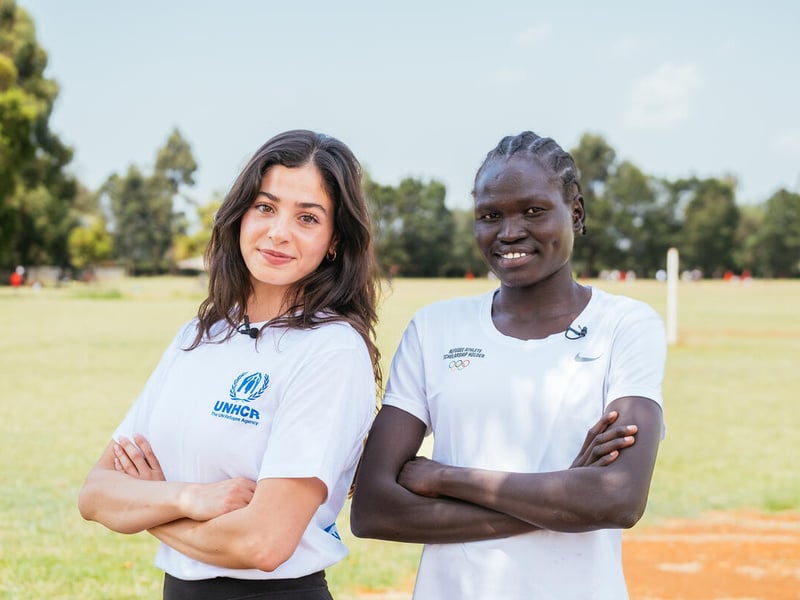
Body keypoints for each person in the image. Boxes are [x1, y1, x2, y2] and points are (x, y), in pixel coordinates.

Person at [350, 131, 666, 599]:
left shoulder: (624, 325)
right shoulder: (436, 328)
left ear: (575, 213)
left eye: (533, 211)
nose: (510, 231)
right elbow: (374, 510)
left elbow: (618, 498)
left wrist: (443, 477)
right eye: (490, 216)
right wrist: (566, 497)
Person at [79, 129, 381, 600]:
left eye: (307, 217)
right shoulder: (200, 335)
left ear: (335, 241)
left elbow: (263, 542)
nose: (279, 232)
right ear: (240, 214)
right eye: (265, 207)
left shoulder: (332, 351)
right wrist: (188, 498)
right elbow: (96, 494)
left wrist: (148, 509)